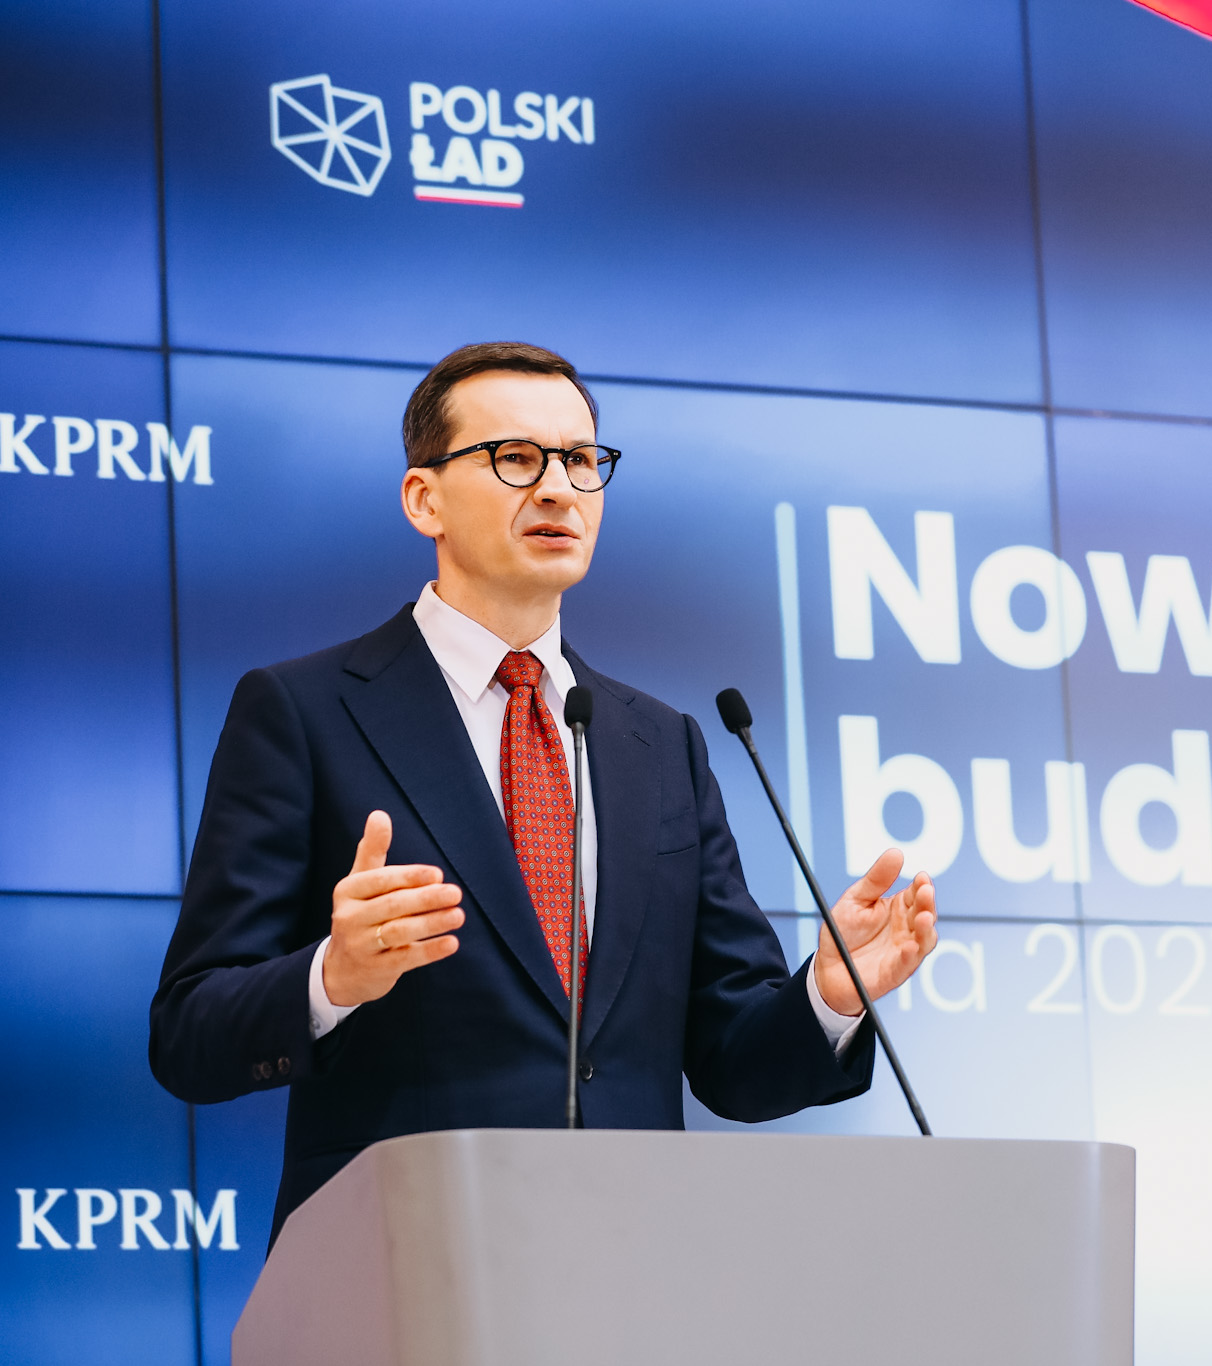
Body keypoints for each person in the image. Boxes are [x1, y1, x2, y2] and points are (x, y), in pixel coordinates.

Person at [150, 342, 939, 1244]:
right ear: (424, 499)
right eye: (517, 459)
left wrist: (829, 995)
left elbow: (734, 1066)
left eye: (580, 461)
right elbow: (189, 1034)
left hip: (634, 1271)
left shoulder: (662, 744)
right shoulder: (305, 712)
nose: (560, 489)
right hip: (407, 1264)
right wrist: (332, 977)